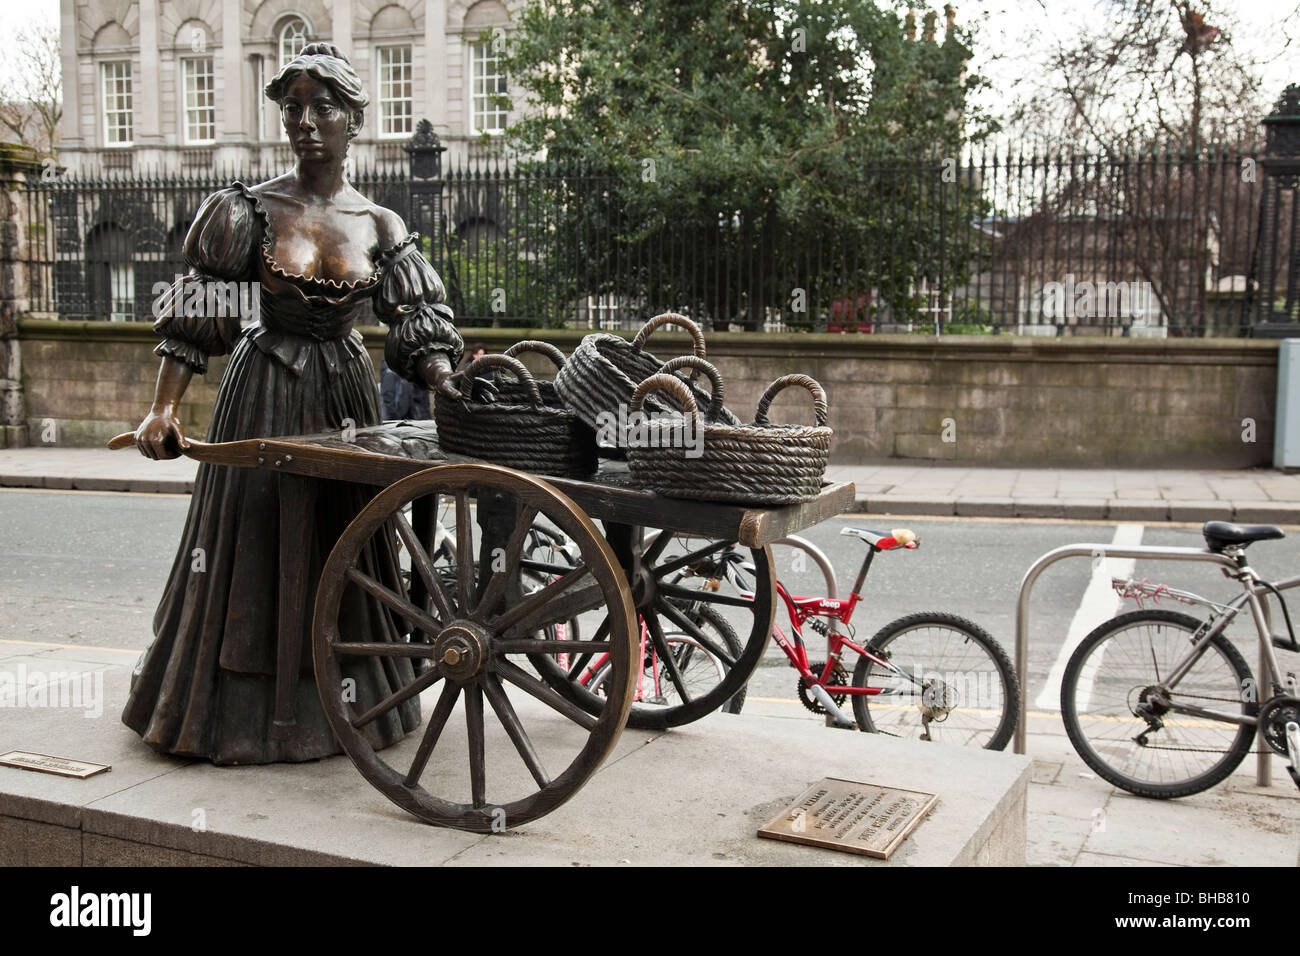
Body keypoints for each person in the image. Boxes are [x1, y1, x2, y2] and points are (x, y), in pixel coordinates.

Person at [124, 43, 463, 764]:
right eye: (292, 109)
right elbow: (194, 320)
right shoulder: (245, 209)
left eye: (324, 108)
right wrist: (163, 410)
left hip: (343, 397)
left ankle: (344, 708)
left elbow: (416, 325)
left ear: (354, 121)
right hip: (264, 393)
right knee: (249, 546)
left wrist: (444, 378)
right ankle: (232, 715)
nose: (306, 122)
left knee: (342, 544)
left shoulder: (380, 225)